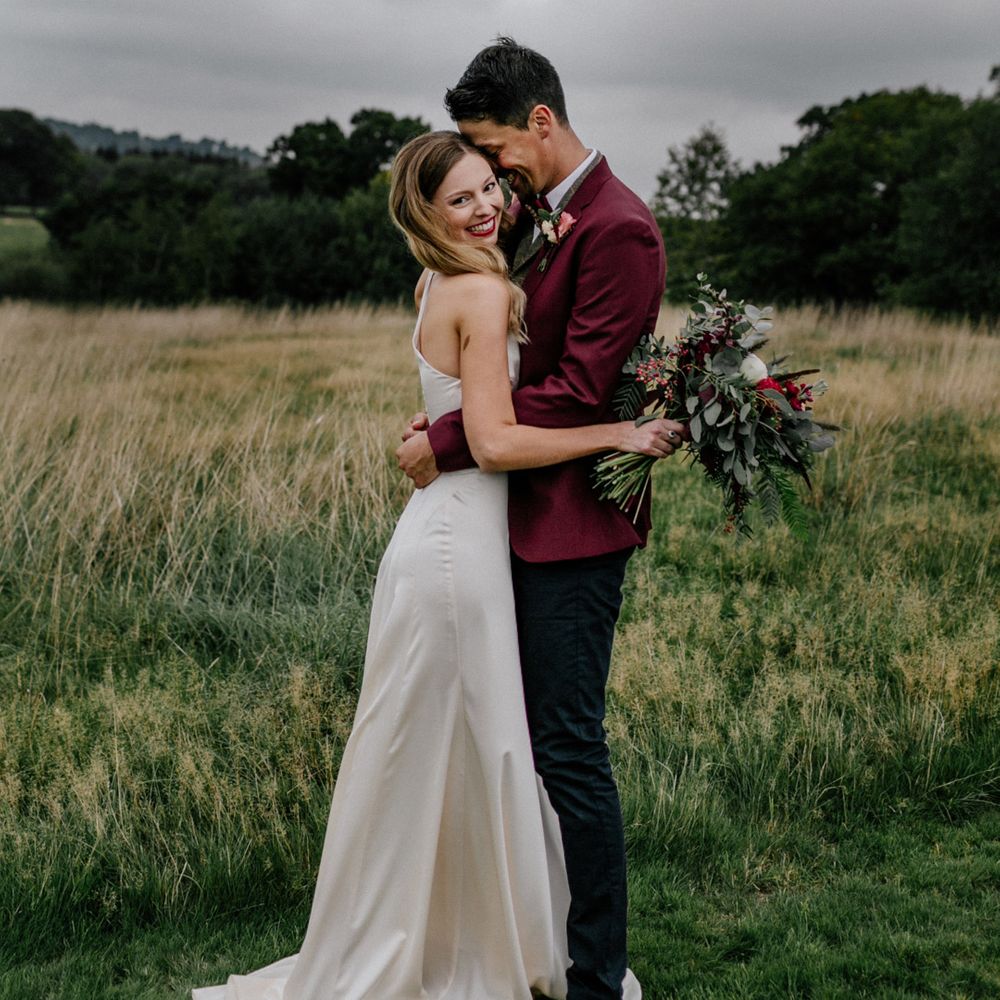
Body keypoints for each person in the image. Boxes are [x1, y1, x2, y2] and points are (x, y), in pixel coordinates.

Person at [191, 130, 680, 1000]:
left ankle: (448, 933)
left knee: (440, 748)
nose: (488, 205)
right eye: (461, 199)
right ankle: (470, 947)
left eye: (489, 184)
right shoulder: (481, 292)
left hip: (443, 535)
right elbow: (492, 438)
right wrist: (618, 431)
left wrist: (444, 435)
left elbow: (466, 412)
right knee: (478, 744)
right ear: (426, 213)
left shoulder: (437, 280)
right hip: (463, 547)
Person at [396, 39, 676, 1000]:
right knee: (511, 746)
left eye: (493, 149)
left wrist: (452, 437)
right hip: (505, 526)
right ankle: (513, 937)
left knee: (565, 747)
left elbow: (577, 390)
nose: (494, 176)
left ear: (540, 124)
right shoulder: (539, 219)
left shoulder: (619, 229)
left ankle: (595, 976)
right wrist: (458, 425)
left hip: (574, 531)